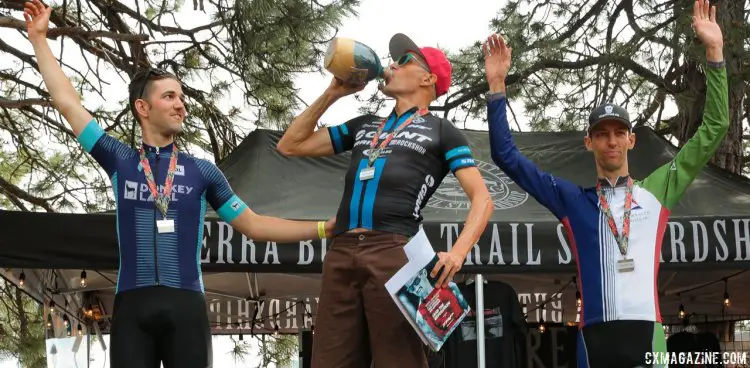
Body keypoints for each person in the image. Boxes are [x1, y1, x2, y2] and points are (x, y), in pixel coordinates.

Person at [23, 1, 335, 367]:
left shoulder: (203, 171)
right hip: (132, 307)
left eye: (182, 98)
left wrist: (322, 227)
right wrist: (40, 39)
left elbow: (254, 224)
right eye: (169, 96)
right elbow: (68, 103)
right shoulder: (120, 160)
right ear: (143, 107)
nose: (181, 105)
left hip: (187, 305)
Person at [483, 0, 728, 366]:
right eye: (601, 134)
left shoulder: (658, 189)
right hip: (594, 341)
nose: (611, 141)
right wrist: (497, 87)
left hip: (649, 336)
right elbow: (506, 156)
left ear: (631, 139)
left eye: (618, 133)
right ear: (589, 142)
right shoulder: (572, 199)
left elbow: (714, 128)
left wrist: (714, 53)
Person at [277, 33, 493, 367]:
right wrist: (333, 92)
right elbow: (290, 145)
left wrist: (457, 253)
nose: (391, 65)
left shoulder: (441, 130)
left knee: (399, 361)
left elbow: (482, 198)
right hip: (341, 252)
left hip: (394, 251)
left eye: (404, 60)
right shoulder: (365, 125)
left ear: (428, 79)